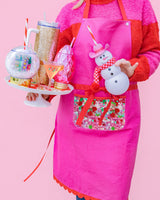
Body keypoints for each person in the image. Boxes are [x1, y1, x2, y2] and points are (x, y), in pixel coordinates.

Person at [26, 0, 160, 199]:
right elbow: (56, 67)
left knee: (114, 189)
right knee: (83, 194)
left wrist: (134, 68)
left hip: (120, 125)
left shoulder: (139, 6)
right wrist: (42, 91)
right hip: (77, 124)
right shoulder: (69, 13)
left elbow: (153, 51)